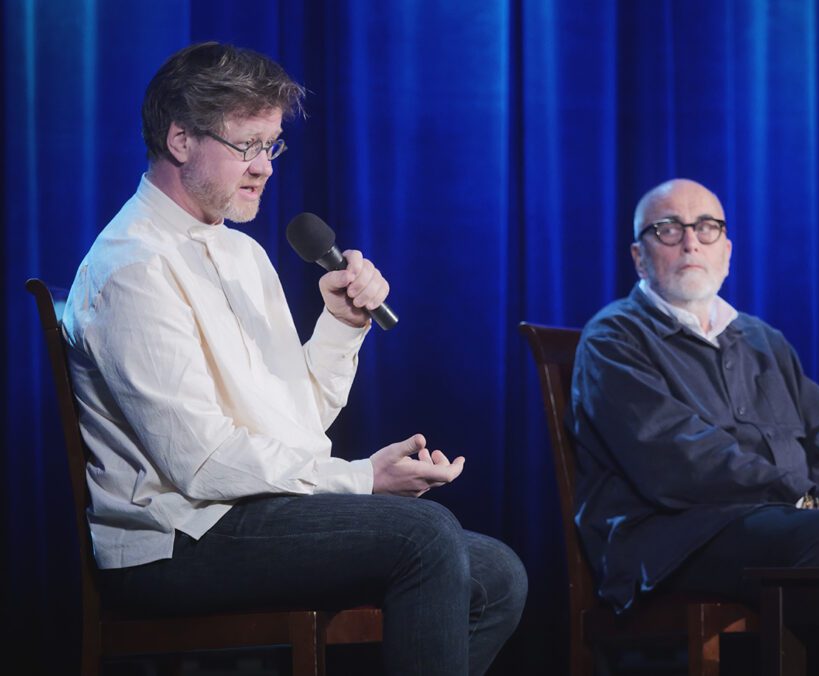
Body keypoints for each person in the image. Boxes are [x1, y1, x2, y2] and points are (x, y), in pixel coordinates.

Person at [62, 42, 526, 675]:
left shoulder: (242, 255)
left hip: (253, 513)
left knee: (499, 574)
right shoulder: (131, 269)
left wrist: (341, 326)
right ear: (179, 140)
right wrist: (361, 481)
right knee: (425, 535)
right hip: (175, 541)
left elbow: (297, 424)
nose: (265, 169)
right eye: (247, 146)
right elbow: (202, 462)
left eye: (272, 146)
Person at [569, 178, 819, 613]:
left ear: (727, 252)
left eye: (707, 227)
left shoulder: (764, 340)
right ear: (639, 258)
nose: (691, 243)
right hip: (673, 539)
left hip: (787, 521)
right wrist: (809, 502)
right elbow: (677, 458)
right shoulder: (614, 338)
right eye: (668, 229)